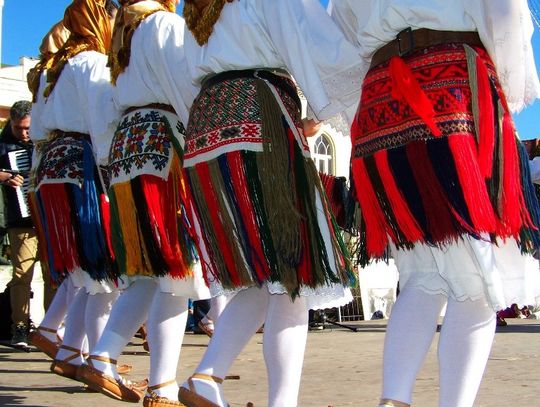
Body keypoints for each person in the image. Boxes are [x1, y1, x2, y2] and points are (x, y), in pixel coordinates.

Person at [329, 1, 540, 406]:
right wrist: (508, 89)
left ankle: (393, 400)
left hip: (380, 103)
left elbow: (337, 34)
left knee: (424, 276)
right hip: (448, 90)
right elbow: (505, 10)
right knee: (476, 285)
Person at [177, 1, 364, 406]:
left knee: (263, 278)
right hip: (259, 119)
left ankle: (206, 378)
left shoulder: (194, 9)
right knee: (294, 276)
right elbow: (311, 40)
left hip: (207, 127)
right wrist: (328, 105)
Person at [76, 1, 211, 404]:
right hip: (161, 147)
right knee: (176, 270)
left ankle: (101, 356)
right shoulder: (163, 24)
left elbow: (106, 112)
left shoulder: (124, 40)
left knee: (152, 274)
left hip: (127, 150)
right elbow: (187, 86)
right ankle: (162, 386)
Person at [29, 0, 121, 382]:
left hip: (53, 168)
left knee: (85, 269)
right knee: (102, 269)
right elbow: (103, 121)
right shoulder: (92, 63)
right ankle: (102, 362)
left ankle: (66, 345)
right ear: (100, 20)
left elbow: (37, 129)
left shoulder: (54, 71)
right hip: (81, 168)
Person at [0, 100, 52, 347]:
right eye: (20, 128)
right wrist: (3, 175)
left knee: (53, 272)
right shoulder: (2, 144)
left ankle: (51, 329)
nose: (24, 133)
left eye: (28, 128)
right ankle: (19, 327)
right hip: (20, 219)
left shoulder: (43, 139)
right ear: (11, 121)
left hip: (49, 217)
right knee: (23, 273)